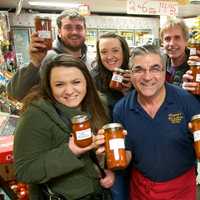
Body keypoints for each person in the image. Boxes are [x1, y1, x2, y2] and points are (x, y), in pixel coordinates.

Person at [102, 45, 200, 199]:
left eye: (155, 69)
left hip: (182, 188)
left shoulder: (186, 101)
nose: (147, 77)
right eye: (139, 69)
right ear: (131, 73)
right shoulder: (121, 109)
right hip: (142, 189)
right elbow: (125, 155)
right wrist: (107, 156)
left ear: (164, 72)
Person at [14, 54, 115, 200]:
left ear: (87, 81)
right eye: (59, 84)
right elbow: (25, 171)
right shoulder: (36, 114)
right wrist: (71, 151)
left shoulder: (98, 104)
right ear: (49, 86)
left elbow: (98, 156)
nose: (69, 91)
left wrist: (106, 168)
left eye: (76, 82)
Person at [7, 9, 92, 101]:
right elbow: (15, 94)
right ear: (59, 31)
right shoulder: (46, 59)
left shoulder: (92, 60)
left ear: (85, 31)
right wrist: (35, 63)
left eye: (79, 28)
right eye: (68, 27)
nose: (74, 32)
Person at [91, 32, 131, 200]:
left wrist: (129, 90)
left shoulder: (134, 75)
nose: (110, 56)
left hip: (136, 150)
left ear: (124, 52)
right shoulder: (92, 80)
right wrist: (102, 166)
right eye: (104, 52)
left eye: (115, 50)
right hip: (111, 156)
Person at [160, 17, 190, 86]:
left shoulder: (196, 67)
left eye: (177, 38)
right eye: (167, 39)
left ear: (186, 41)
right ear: (162, 43)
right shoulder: (158, 65)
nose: (172, 43)